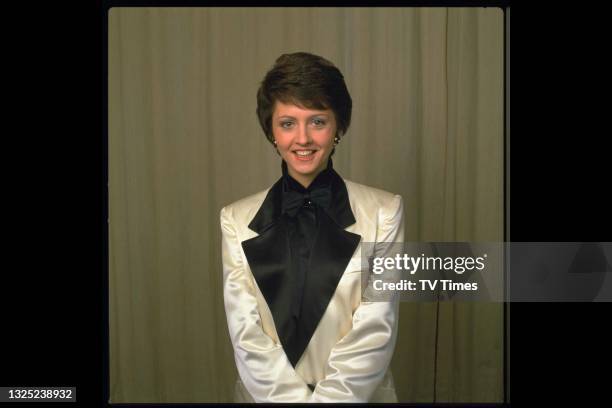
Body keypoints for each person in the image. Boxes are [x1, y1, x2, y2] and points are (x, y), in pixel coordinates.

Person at [220, 52, 404, 403]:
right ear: (271, 131)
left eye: (317, 121)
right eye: (287, 123)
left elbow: (376, 327)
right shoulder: (235, 219)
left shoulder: (385, 211)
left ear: (338, 127)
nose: (302, 138)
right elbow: (246, 335)